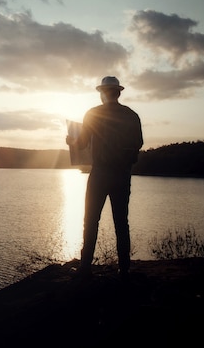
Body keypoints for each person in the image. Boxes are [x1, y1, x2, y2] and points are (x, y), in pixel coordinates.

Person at [66, 76, 143, 279]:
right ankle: (124, 269)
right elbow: (139, 142)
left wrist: (70, 140)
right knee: (121, 222)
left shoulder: (93, 114)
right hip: (122, 174)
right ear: (118, 93)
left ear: (102, 93)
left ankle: (85, 268)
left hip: (100, 173)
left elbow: (81, 144)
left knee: (91, 221)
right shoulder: (131, 115)